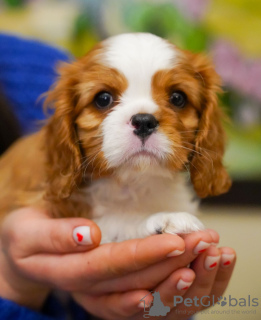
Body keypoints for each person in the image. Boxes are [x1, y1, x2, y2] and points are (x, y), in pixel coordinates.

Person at [0, 33, 236, 320]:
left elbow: (160, 302)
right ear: (67, 127)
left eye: (176, 98)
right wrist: (14, 284)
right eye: (103, 100)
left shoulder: (36, 62)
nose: (144, 119)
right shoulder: (59, 169)